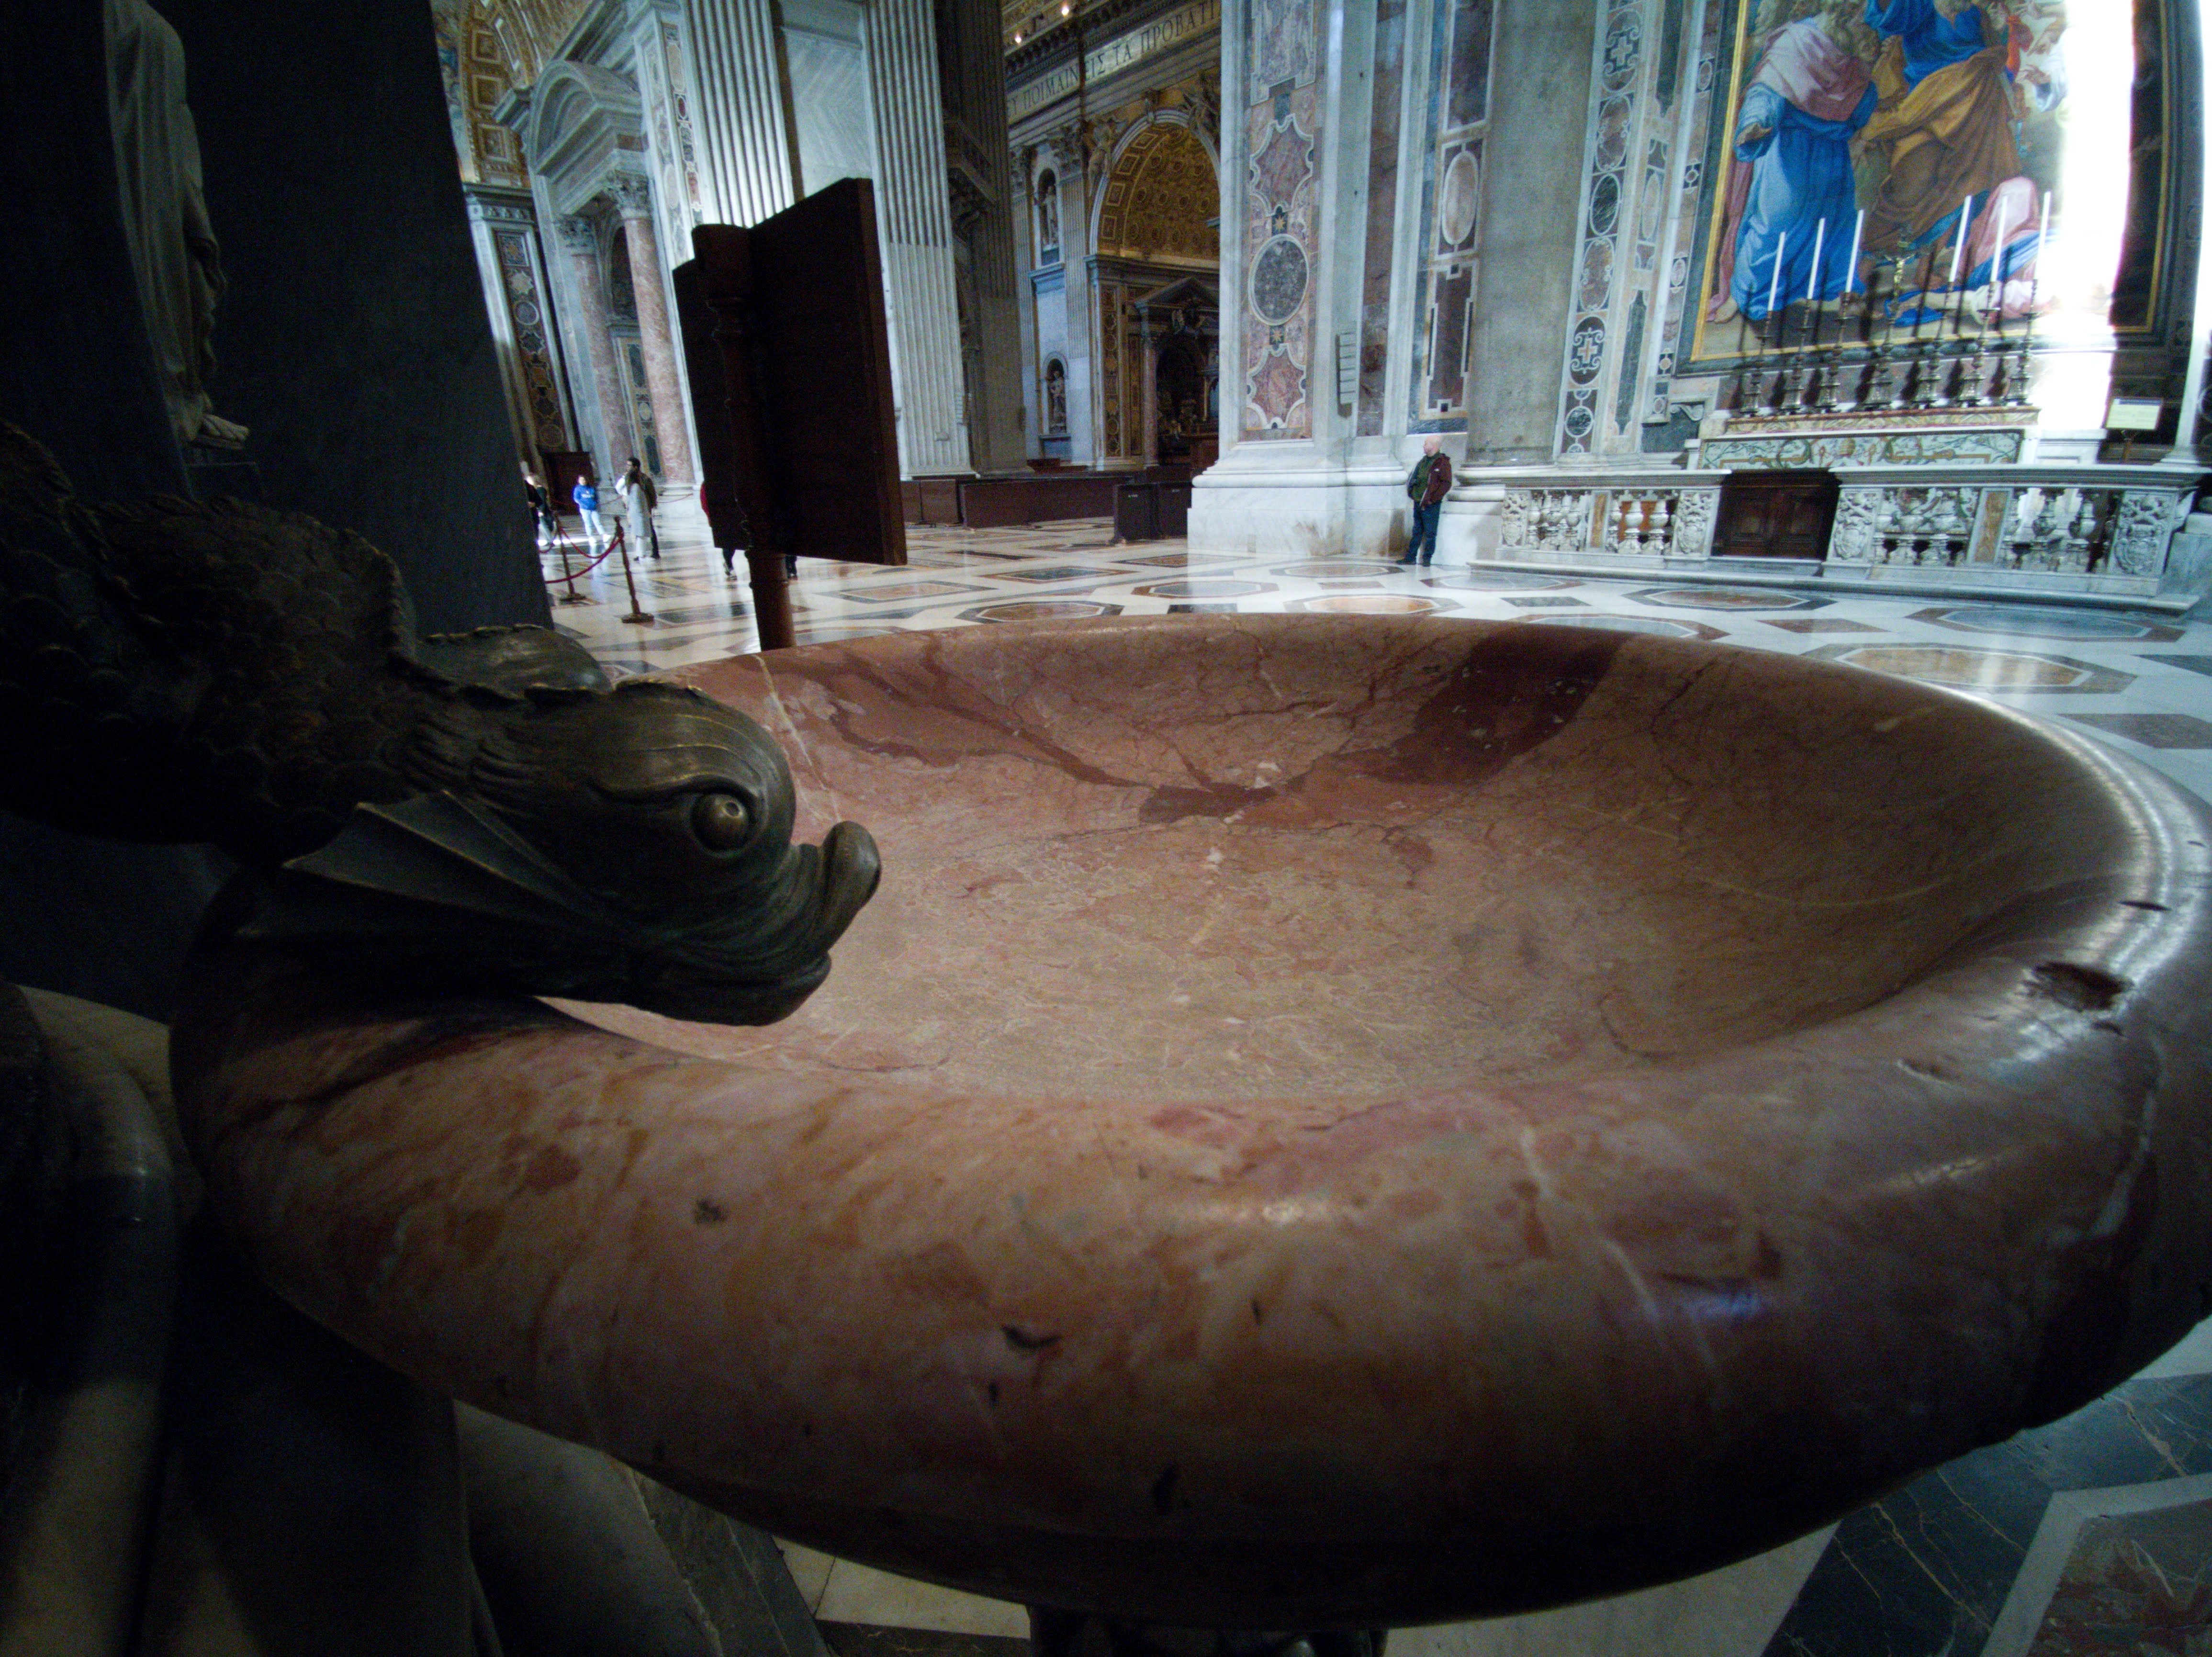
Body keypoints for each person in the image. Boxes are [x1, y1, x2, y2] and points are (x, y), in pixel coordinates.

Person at [1708, 0, 1878, 326]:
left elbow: (1861, 102)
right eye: (1851, 6)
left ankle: (1834, 289)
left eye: (1859, 7)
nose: (1856, 11)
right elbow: (1764, 90)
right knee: (1775, 221)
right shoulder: (1795, 41)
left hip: (1831, 153)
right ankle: (1742, 295)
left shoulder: (1851, 49)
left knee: (1837, 223)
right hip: (1788, 148)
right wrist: (1754, 124)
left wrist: (1867, 79)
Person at [1401, 437, 1452, 567]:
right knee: (1416, 531)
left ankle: (1427, 558)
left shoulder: (1442, 463)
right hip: (1418, 501)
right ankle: (1411, 557)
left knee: (1430, 533)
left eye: (1426, 444)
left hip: (1431, 504)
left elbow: (1446, 484)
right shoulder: (1423, 461)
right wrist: (1412, 492)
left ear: (1434, 446)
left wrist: (1432, 499)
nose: (1424, 446)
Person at [621, 457, 661, 560]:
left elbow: (651, 494)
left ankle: (655, 551)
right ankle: (640, 554)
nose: (627, 467)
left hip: (645, 508)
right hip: (637, 510)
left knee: (649, 530)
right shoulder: (629, 479)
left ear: (635, 467)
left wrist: (651, 507)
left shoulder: (644, 479)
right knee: (639, 531)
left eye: (629, 465)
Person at [571, 469, 606, 548]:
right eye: (581, 480)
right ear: (579, 481)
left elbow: (596, 497)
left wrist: (595, 503)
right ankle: (591, 537)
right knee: (588, 523)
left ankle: (604, 535)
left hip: (593, 508)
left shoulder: (591, 488)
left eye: (584, 480)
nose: (583, 481)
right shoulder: (578, 489)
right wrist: (583, 504)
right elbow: (576, 499)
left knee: (598, 522)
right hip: (585, 509)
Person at [522, 467, 556, 547]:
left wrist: (534, 505)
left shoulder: (531, 488)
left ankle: (547, 541)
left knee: (539, 530)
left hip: (534, 516)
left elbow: (540, 501)